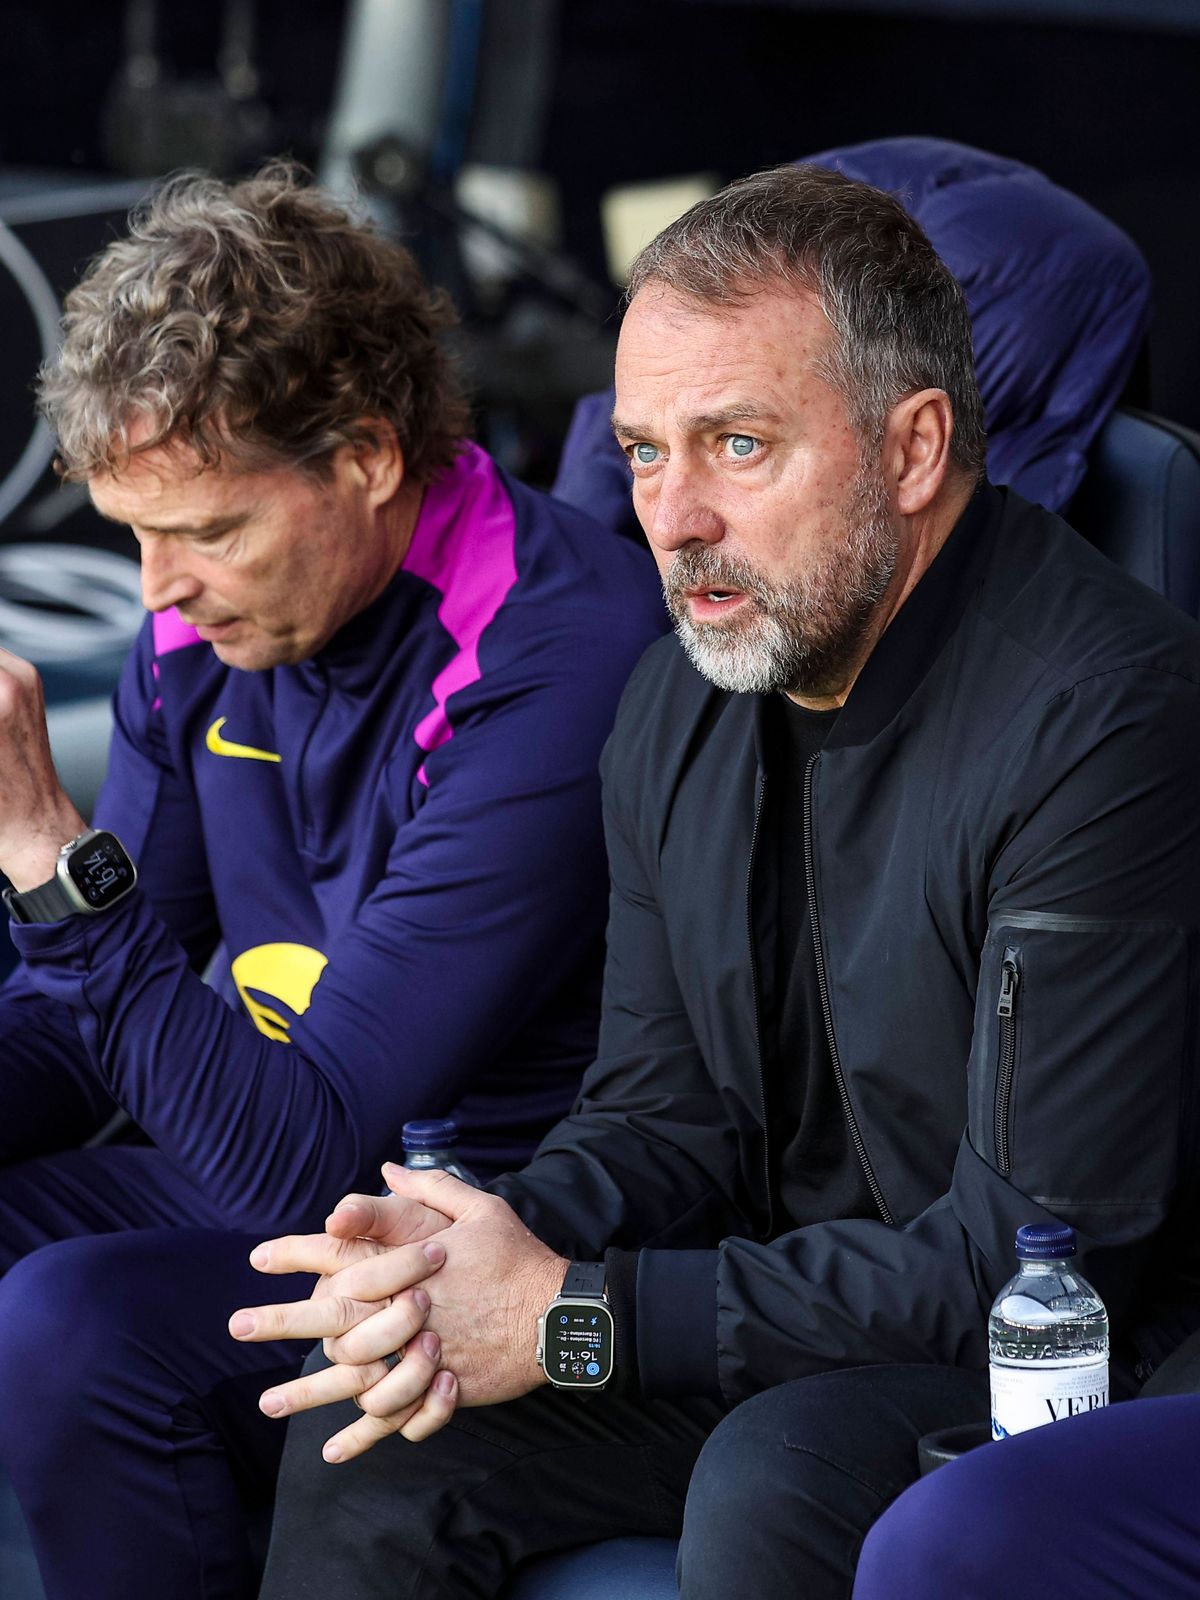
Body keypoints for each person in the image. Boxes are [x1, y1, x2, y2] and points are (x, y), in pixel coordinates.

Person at [238, 162, 1200, 1600]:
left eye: (737, 446)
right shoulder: (676, 700)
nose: (673, 518)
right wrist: (477, 1258)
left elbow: (1030, 1259)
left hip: (1080, 1355)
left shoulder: (1104, 717)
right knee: (373, 1439)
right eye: (642, 451)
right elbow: (660, 1114)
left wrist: (577, 1315)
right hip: (781, 1318)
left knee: (776, 1473)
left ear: (914, 448)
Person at [0, 165, 666, 1599]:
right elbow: (82, 1021)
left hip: (481, 1240)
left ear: (366, 456)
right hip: (273, 1170)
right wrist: (68, 911)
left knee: (72, 1323)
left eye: (208, 532)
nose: (157, 589)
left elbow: (298, 1163)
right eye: (134, 534)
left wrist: (51, 859)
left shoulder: (555, 660)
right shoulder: (210, 628)